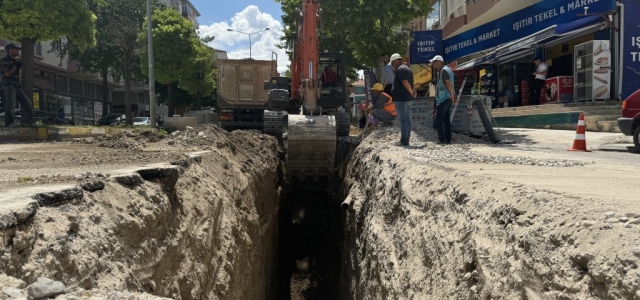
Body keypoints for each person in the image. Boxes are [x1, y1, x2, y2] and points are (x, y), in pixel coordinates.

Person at [1, 43, 34, 126]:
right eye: (16, 49)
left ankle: (30, 122)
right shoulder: (4, 60)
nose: (18, 51)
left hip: (17, 86)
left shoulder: (15, 61)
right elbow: (7, 74)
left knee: (27, 103)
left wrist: (17, 64)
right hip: (9, 85)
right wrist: (15, 66)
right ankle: (9, 123)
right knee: (11, 104)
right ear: (10, 50)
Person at [430, 55, 458, 145]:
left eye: (434, 62)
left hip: (444, 99)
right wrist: (453, 96)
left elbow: (448, 84)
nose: (433, 65)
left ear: (439, 62)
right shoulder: (447, 70)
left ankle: (442, 139)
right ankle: (448, 139)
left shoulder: (444, 71)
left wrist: (453, 97)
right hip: (447, 98)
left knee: (438, 119)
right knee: (446, 119)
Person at [390, 53, 416, 146]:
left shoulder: (400, 69)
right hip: (408, 99)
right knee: (407, 120)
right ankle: (406, 139)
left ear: (396, 61)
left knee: (403, 120)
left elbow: (405, 82)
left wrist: (411, 91)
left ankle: (404, 140)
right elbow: (412, 82)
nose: (393, 66)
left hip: (401, 99)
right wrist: (413, 91)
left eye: (393, 63)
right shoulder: (408, 69)